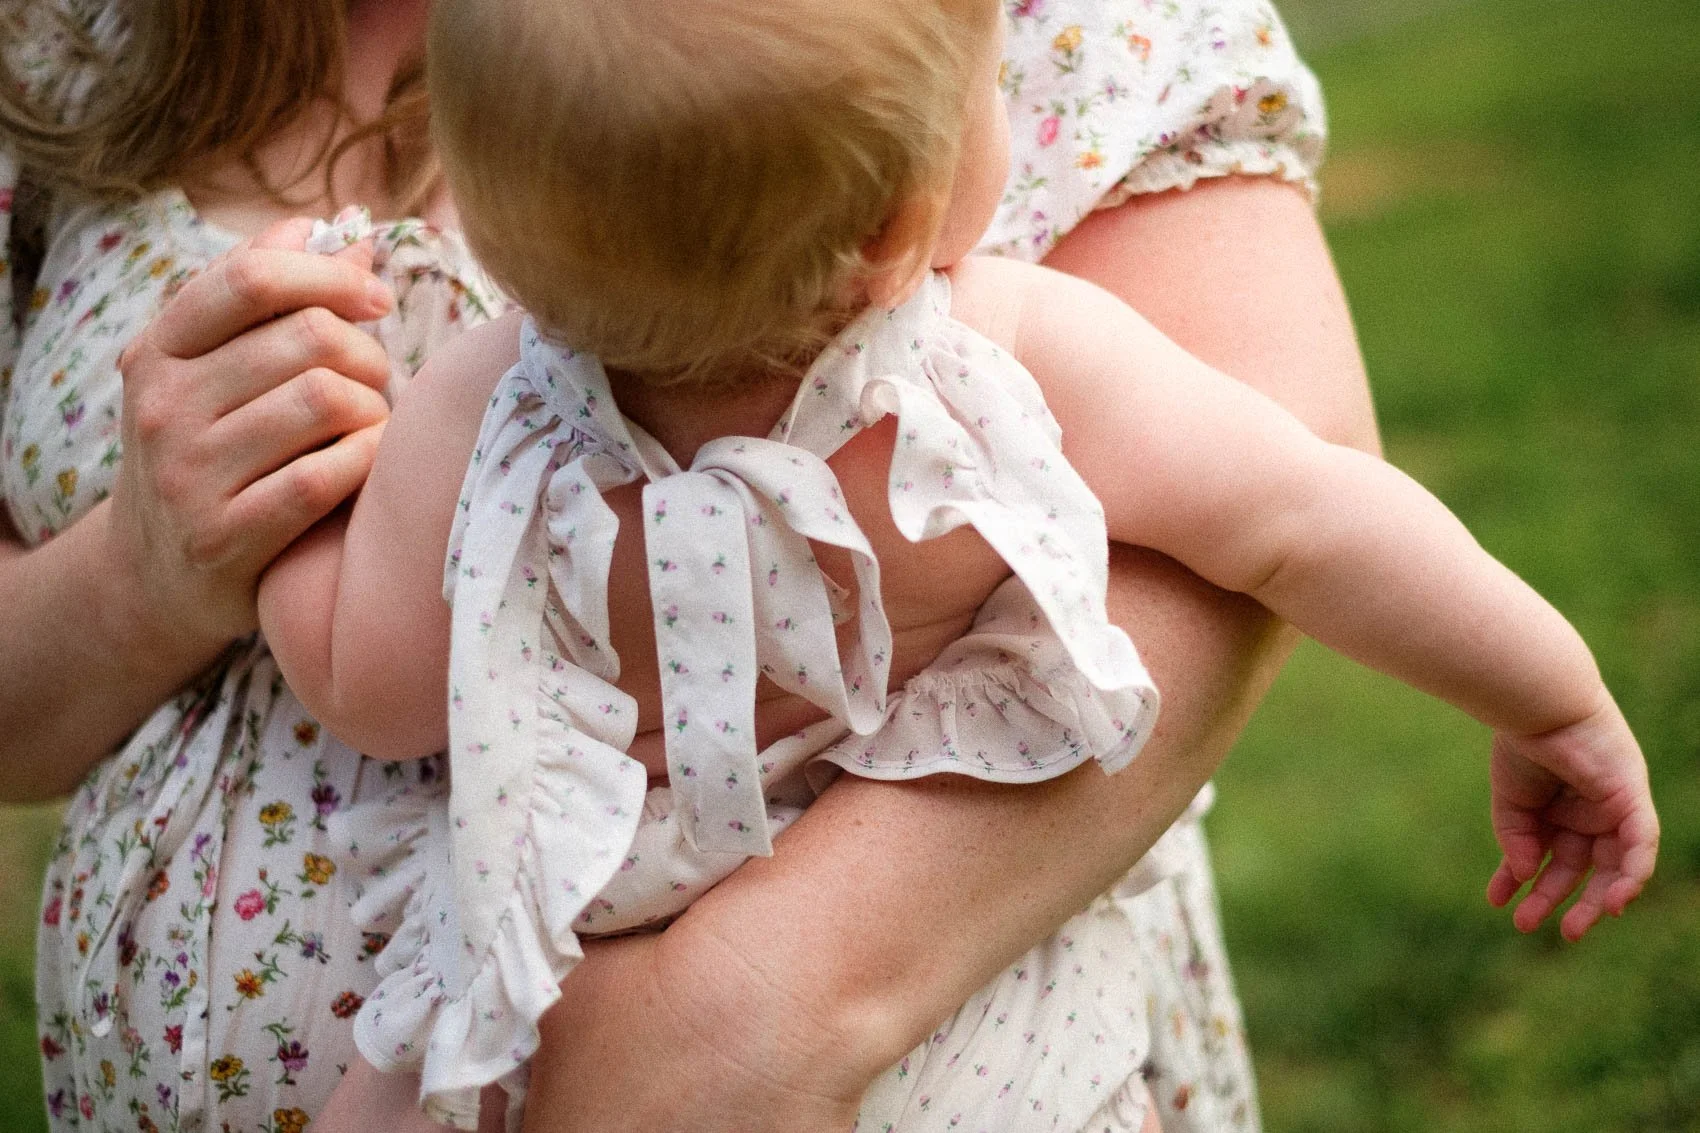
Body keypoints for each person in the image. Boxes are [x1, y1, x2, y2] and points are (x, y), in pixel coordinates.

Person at [255, 1, 1657, 1130]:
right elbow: (1307, 515)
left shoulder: (484, 416)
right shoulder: (990, 368)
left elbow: (365, 684)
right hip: (961, 1036)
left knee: (401, 1074)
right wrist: (1552, 699)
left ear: (498, 230)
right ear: (889, 234)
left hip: (545, 996)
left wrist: (288, 513)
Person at [0, 0, 1373, 1130]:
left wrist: (762, 1009)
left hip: (848, 1065)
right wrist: (143, 568)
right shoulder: (65, 46)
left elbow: (1285, 489)